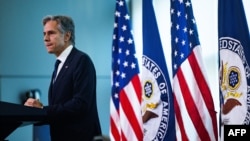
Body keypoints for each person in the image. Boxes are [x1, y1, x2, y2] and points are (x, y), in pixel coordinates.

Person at [24, 15, 102, 141]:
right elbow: (61, 108)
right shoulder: (59, 65)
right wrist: (37, 112)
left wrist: (44, 110)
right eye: (44, 34)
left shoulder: (81, 60)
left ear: (67, 36)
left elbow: (80, 104)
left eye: (51, 33)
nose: (45, 38)